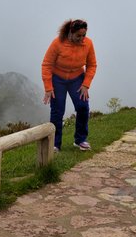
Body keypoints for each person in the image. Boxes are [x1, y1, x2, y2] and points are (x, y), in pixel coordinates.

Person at [41, 19, 97, 152]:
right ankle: (55, 144)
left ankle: (80, 140)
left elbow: (92, 65)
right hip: (58, 79)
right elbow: (47, 65)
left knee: (83, 107)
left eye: (84, 35)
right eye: (79, 35)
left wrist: (86, 85)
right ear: (71, 33)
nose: (82, 38)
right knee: (57, 110)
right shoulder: (57, 43)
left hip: (77, 78)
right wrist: (48, 88)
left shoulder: (88, 44)